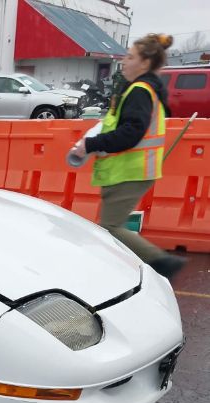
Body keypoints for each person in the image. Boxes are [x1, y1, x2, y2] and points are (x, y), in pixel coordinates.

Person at [69, 33, 186, 279]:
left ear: (145, 63)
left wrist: (91, 144)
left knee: (110, 227)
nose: (124, 61)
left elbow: (131, 132)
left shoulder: (140, 91)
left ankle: (161, 262)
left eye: (130, 57)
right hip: (129, 169)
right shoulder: (139, 89)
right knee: (111, 226)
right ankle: (131, 268)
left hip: (130, 170)